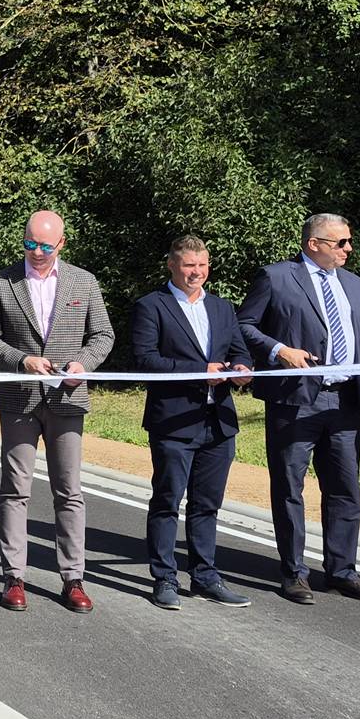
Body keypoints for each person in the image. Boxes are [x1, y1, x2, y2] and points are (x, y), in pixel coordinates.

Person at [236, 213, 360, 606]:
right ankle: (294, 572)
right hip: (294, 399)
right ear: (314, 244)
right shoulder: (277, 277)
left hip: (344, 400)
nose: (348, 249)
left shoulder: (354, 283)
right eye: (340, 242)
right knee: (290, 487)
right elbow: (244, 324)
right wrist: (280, 351)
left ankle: (343, 571)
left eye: (348, 241)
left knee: (345, 489)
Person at [0, 209, 115, 613]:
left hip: (67, 400)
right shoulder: (1, 281)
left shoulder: (83, 282)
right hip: (18, 399)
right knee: (15, 489)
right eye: (30, 243)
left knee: (69, 491)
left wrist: (83, 364)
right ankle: (13, 576)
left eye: (45, 246)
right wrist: (21, 360)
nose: (36, 252)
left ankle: (73, 578)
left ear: (61, 245)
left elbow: (103, 334)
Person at [128, 236, 255, 610]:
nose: (195, 273)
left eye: (201, 266)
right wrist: (200, 372)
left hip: (218, 423)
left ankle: (205, 577)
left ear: (208, 267)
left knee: (207, 505)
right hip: (174, 423)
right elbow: (146, 362)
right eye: (187, 266)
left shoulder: (222, 308)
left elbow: (238, 351)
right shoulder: (151, 306)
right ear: (171, 265)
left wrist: (242, 369)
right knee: (167, 501)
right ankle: (164, 578)